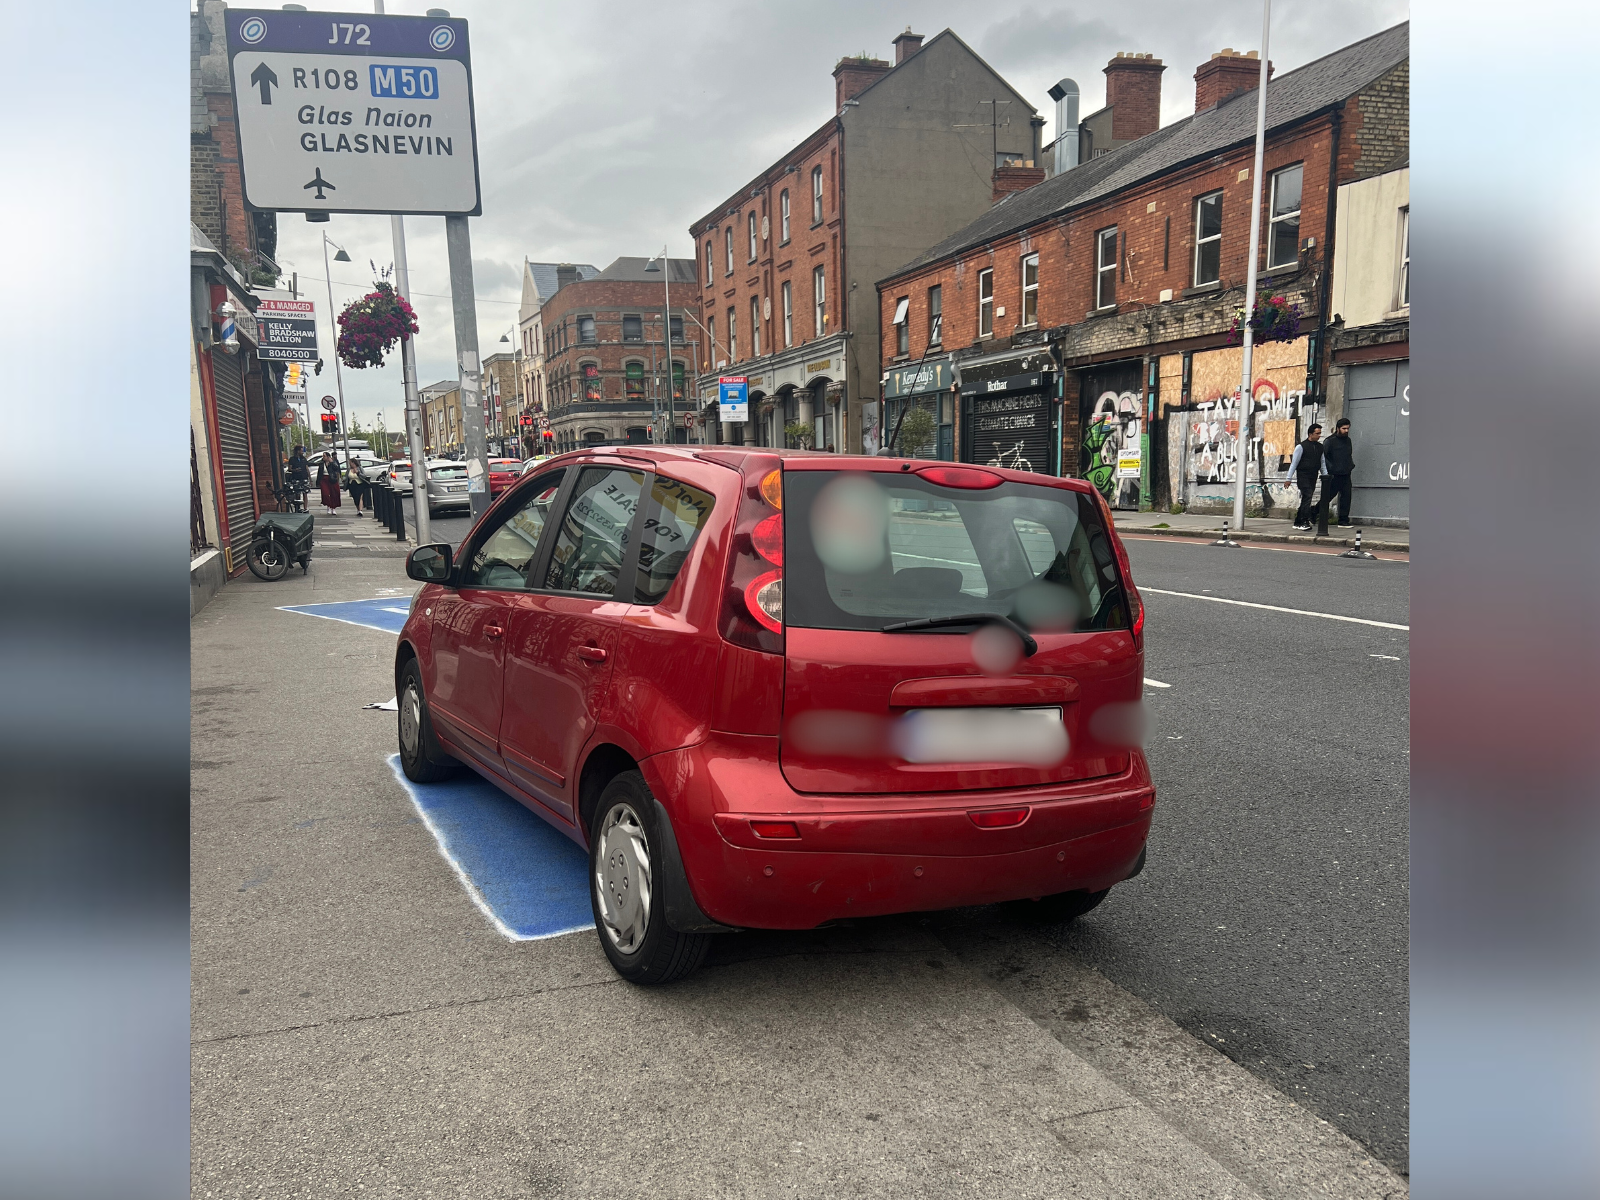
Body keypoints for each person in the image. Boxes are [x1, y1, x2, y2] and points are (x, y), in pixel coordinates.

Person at [1287, 423, 1328, 530]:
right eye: (1317, 433)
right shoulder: (1301, 447)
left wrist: (1325, 475)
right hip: (1303, 475)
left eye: (1320, 433)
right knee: (1308, 495)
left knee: (1306, 498)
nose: (1319, 435)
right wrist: (1288, 478)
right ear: (1310, 434)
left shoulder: (1320, 447)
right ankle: (1304, 521)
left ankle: (1298, 521)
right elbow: (1294, 463)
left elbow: (1322, 462)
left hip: (1313, 475)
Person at [1322, 417, 1356, 527]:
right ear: (1337, 428)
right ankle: (1313, 512)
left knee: (1346, 497)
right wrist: (1329, 470)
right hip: (1334, 474)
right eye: (1343, 428)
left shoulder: (1348, 440)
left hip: (1346, 473)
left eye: (1347, 428)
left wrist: (1350, 465)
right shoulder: (1329, 441)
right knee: (1328, 496)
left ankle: (1343, 520)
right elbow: (1324, 457)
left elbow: (1348, 454)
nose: (1346, 431)